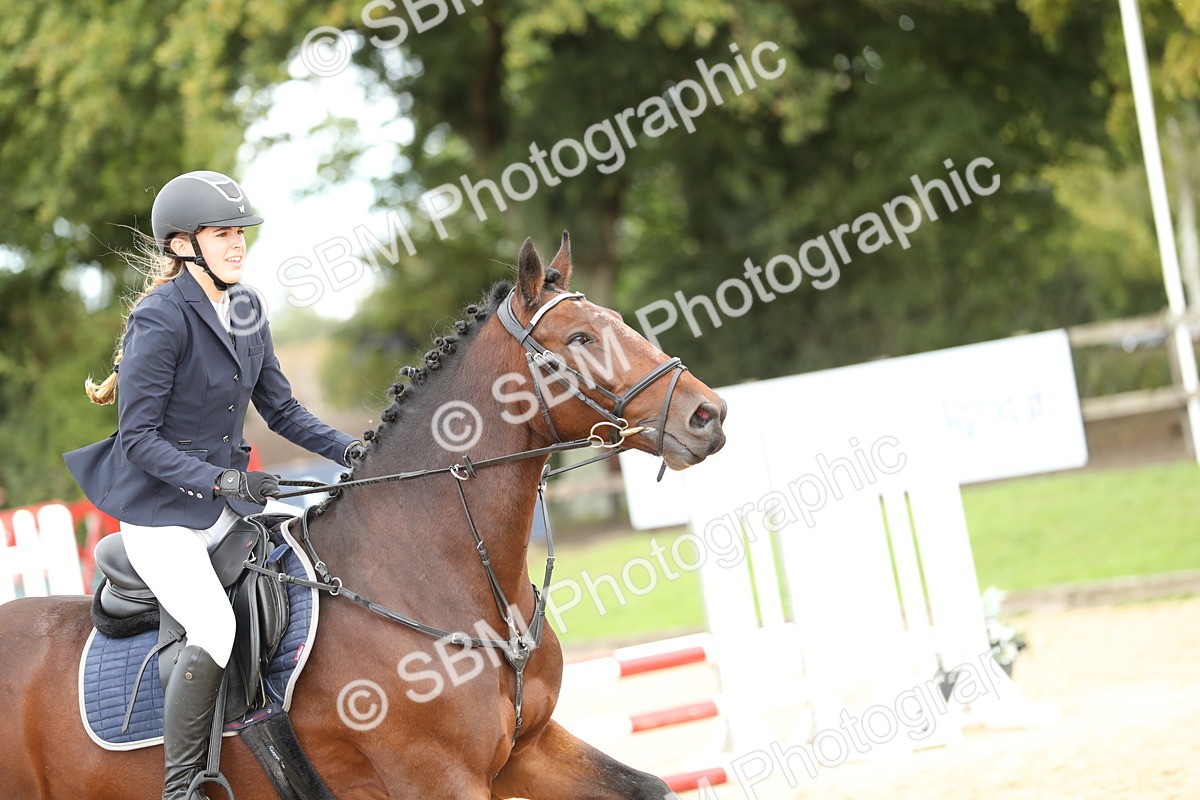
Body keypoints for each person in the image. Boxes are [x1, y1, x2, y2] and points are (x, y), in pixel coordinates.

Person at [63, 170, 364, 800]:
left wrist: (357, 451)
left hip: (222, 505)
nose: (238, 245)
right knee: (213, 627)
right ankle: (185, 786)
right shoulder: (160, 319)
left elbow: (281, 411)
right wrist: (223, 478)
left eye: (241, 234)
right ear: (182, 246)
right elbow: (138, 440)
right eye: (223, 233)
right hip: (159, 516)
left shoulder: (248, 308)